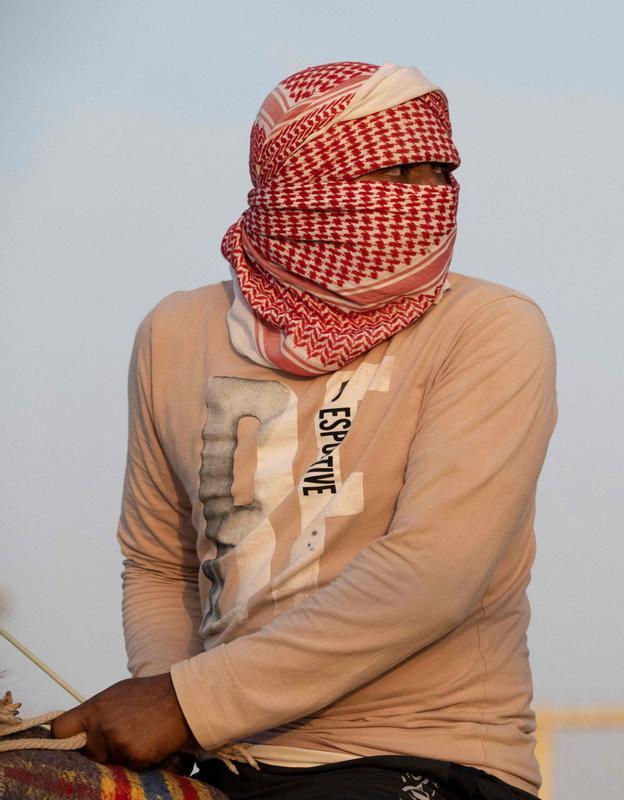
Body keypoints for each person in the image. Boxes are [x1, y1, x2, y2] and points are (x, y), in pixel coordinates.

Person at [52, 61, 556, 800]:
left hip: (419, 755)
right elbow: (163, 566)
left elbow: (432, 575)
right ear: (301, 186)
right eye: (401, 176)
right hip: (225, 761)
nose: (431, 202)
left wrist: (184, 704)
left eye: (442, 173)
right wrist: (165, 706)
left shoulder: (490, 330)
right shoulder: (175, 332)